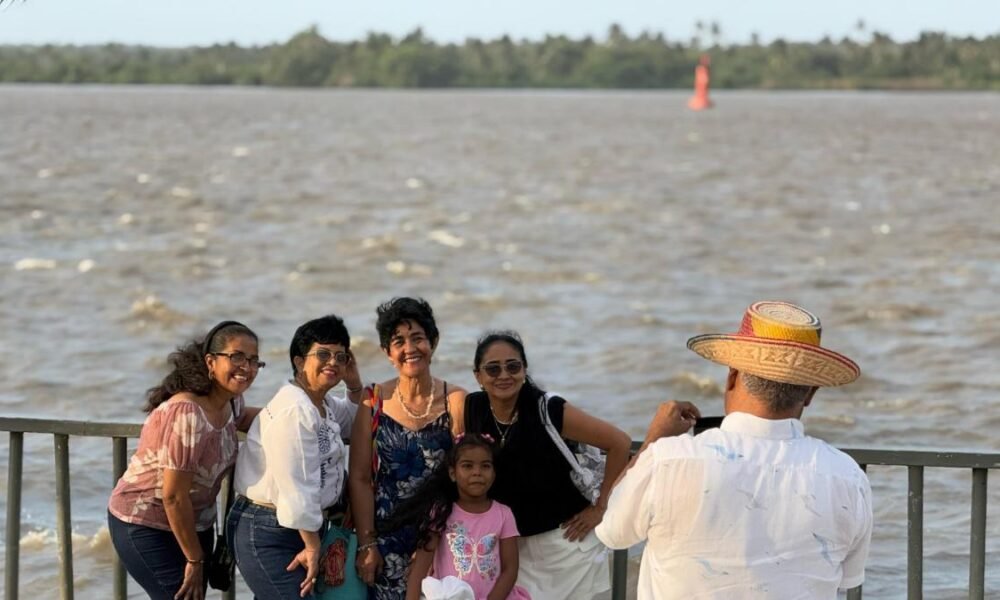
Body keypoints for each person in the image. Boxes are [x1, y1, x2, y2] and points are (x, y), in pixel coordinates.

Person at [596, 301, 874, 599]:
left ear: (732, 377)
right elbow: (848, 577)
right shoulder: (847, 477)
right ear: (809, 395)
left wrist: (653, 441)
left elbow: (613, 532)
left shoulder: (669, 460)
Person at [464, 330, 632, 600]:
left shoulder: (548, 409)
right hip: (511, 552)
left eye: (513, 366)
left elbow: (620, 443)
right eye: (493, 369)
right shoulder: (473, 409)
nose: (504, 375)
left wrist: (601, 507)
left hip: (567, 547)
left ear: (524, 369)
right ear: (478, 376)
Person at [108, 320, 263, 600]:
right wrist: (195, 559)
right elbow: (173, 496)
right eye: (237, 357)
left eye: (253, 361)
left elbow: (249, 418)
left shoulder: (230, 402)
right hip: (145, 521)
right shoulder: (187, 413)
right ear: (211, 362)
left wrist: (298, 415)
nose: (247, 367)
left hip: (194, 523)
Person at [228, 314, 364, 599]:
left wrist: (353, 385)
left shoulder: (321, 402)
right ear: (300, 361)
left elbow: (354, 423)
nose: (333, 362)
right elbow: (296, 485)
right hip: (267, 529)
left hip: (298, 527)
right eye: (323, 354)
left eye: (340, 357)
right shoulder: (295, 409)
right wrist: (313, 546)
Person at [349, 297, 467, 599]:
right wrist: (367, 544)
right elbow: (360, 478)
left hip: (444, 539)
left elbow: (467, 478)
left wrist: (435, 540)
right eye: (398, 341)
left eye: (418, 338)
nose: (410, 348)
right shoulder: (373, 400)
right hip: (386, 543)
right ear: (387, 352)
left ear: (433, 342)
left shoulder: (455, 401)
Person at [391, 433, 531, 600]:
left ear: (494, 473)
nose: (477, 472)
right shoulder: (441, 513)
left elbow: (510, 569)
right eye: (467, 466)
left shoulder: (503, 514)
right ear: (453, 473)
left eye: (485, 466)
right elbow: (420, 568)